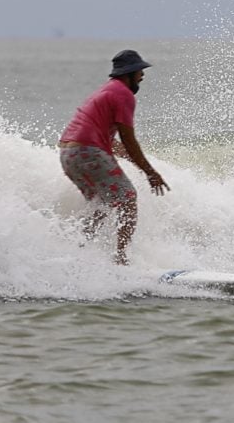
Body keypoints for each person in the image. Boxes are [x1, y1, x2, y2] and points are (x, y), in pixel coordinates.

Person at [58, 50, 169, 265]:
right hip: (88, 151)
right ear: (128, 73)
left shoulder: (104, 92)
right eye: (139, 72)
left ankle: (81, 251)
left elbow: (109, 141)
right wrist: (150, 172)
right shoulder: (123, 94)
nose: (142, 76)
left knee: (101, 203)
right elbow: (128, 139)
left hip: (68, 155)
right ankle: (121, 259)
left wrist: (133, 161)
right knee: (127, 198)